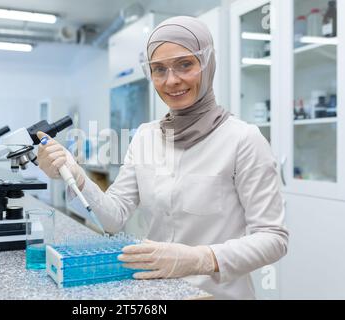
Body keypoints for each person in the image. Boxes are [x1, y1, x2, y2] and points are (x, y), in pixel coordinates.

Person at [36, 16, 288, 300]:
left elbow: (273, 239)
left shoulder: (244, 139)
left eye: (185, 64)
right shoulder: (145, 136)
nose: (171, 81)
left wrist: (201, 259)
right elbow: (113, 218)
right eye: (159, 69)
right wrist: (75, 174)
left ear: (207, 64)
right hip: (155, 293)